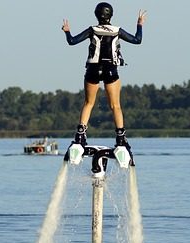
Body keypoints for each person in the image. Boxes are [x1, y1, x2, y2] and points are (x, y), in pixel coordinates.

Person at [62, 2, 147, 149]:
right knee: (115, 106)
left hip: (93, 69)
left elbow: (72, 41)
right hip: (110, 69)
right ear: (111, 15)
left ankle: (80, 136)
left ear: (96, 15)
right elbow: (137, 40)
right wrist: (139, 25)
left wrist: (67, 31)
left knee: (88, 103)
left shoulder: (92, 30)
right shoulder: (117, 30)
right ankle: (120, 138)